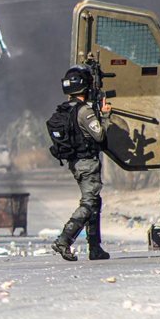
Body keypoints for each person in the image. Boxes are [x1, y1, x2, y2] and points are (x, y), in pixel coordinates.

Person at [50, 65, 111, 262]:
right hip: (87, 163)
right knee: (89, 202)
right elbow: (99, 135)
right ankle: (64, 240)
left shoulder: (64, 109)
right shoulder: (84, 111)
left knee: (95, 201)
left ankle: (95, 247)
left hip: (76, 162)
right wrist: (106, 115)